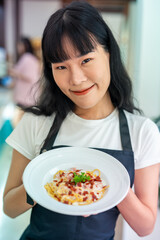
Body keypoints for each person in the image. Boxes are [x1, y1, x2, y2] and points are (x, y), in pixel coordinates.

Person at [3, 1, 160, 240]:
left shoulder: (142, 132)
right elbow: (9, 208)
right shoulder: (36, 122)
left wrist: (108, 187)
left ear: (109, 53)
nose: (75, 79)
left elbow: (145, 226)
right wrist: (46, 184)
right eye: (61, 66)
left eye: (86, 60)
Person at [8, 37, 41, 125]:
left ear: (25, 46)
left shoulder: (27, 58)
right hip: (27, 98)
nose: (18, 47)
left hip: (26, 98)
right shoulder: (28, 58)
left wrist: (15, 72)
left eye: (19, 45)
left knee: (18, 123)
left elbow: (31, 77)